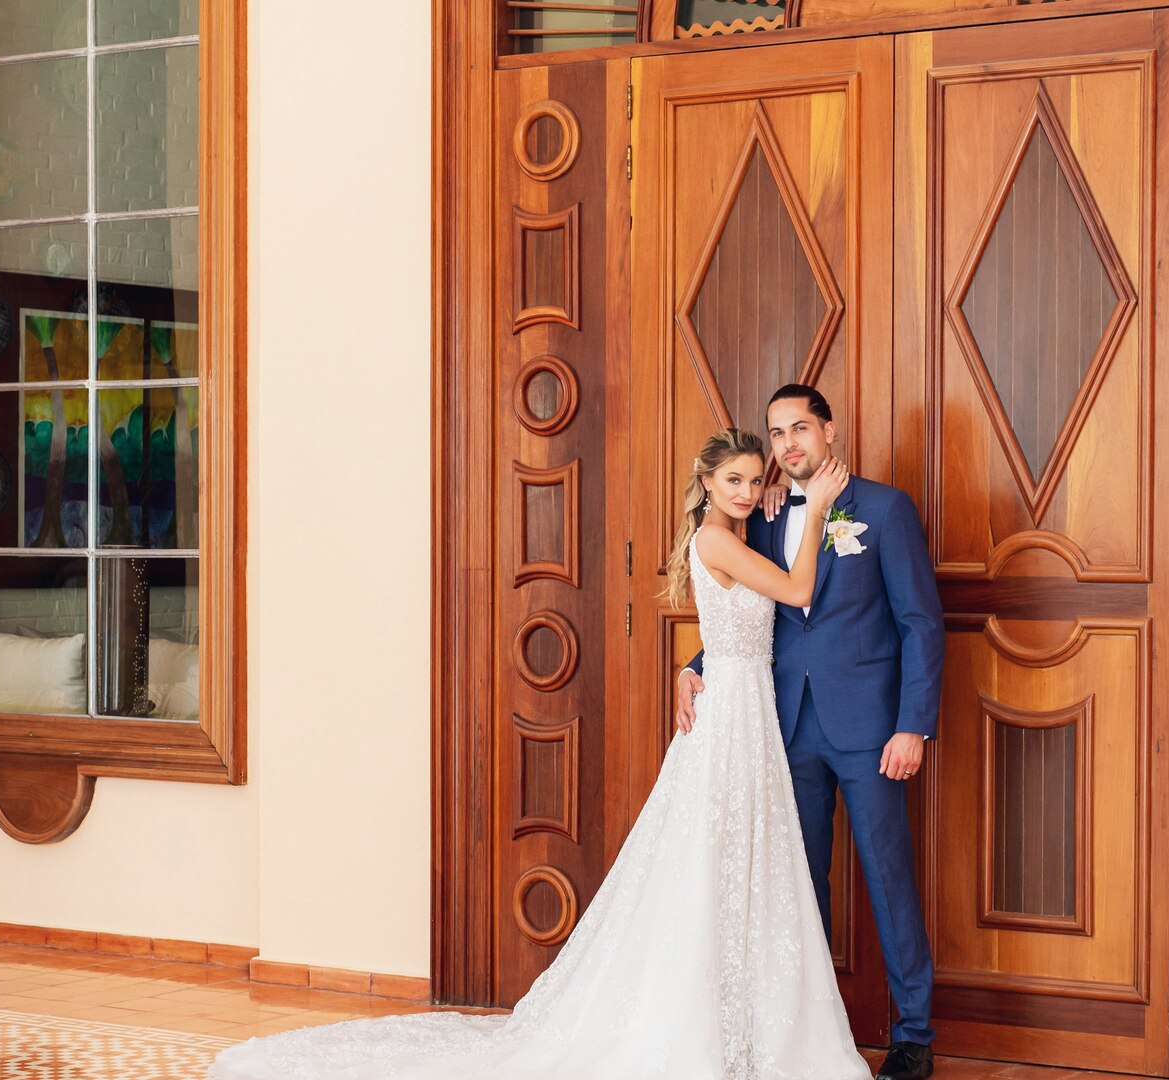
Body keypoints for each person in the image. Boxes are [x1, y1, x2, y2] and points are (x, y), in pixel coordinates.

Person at [209, 427, 870, 1080]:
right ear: (705, 484)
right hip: (731, 718)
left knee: (741, 860)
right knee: (712, 861)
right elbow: (799, 592)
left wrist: (692, 664)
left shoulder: (736, 535)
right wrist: (815, 514)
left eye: (756, 481)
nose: (749, 491)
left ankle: (740, 1022)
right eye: (735, 480)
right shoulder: (715, 538)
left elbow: (746, 627)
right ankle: (701, 1027)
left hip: (744, 706)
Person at [679, 384, 943, 1080]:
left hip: (869, 731)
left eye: (801, 428)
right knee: (795, 886)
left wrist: (912, 724)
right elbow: (747, 609)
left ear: (830, 430)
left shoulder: (885, 509)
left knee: (890, 878)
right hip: (782, 729)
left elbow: (920, 622)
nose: (789, 444)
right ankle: (806, 1034)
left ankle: (913, 1037)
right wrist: (693, 665)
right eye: (777, 433)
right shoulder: (757, 518)